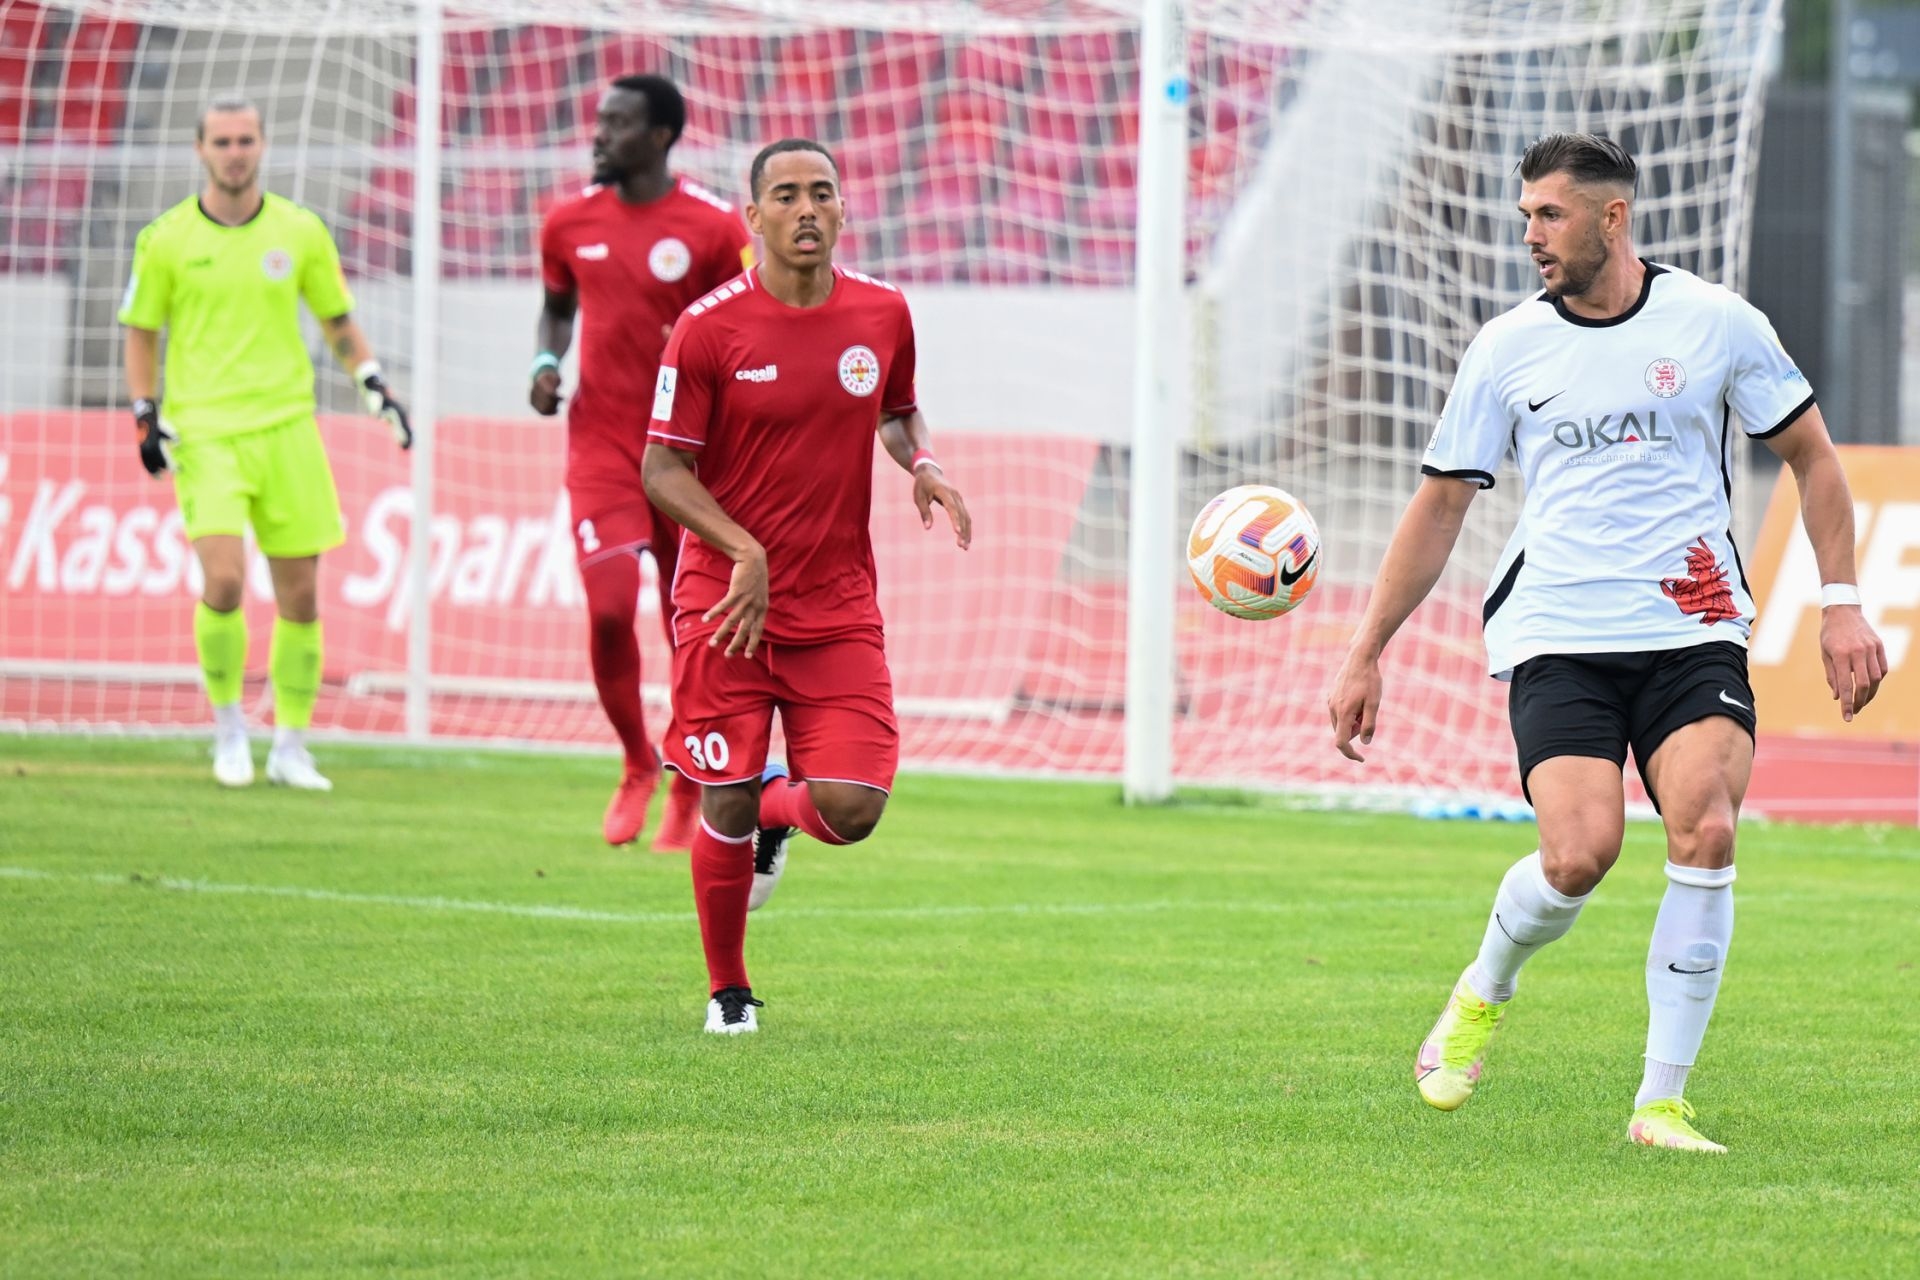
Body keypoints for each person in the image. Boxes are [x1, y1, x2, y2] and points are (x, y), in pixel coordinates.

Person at [1326, 132, 1887, 1153]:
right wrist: (1366, 648)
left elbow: (1812, 455)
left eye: (1550, 214)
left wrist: (1841, 601)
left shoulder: (1716, 322)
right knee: (1580, 855)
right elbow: (1442, 504)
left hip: (1694, 628)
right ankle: (1483, 988)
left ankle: (1660, 1103)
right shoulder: (1506, 347)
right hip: (1561, 634)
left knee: (1706, 829)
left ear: (1611, 216)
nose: (1531, 235)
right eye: (1526, 215)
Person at [643, 139, 973, 1035]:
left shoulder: (882, 311)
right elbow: (662, 469)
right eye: (785, 195)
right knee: (721, 794)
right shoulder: (708, 328)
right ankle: (728, 992)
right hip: (727, 603)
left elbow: (897, 411)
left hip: (835, 606)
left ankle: (776, 814)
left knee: (854, 808)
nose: (806, 210)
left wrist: (925, 463)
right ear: (753, 216)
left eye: (821, 193)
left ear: (842, 209)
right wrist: (742, 550)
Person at [120, 97, 412, 792]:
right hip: (207, 431)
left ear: (262, 144)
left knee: (301, 598)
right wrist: (144, 412)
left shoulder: (300, 231)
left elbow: (337, 320)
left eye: (245, 140)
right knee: (223, 580)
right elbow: (141, 330)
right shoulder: (165, 239)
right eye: (222, 141)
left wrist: (373, 382)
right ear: (200, 149)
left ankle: (290, 746)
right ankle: (228, 729)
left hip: (288, 428)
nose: (234, 152)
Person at [535, 74, 754, 851]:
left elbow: (746, 326)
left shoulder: (712, 227)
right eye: (600, 120)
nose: (600, 134)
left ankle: (689, 776)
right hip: (601, 446)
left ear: (660, 136)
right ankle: (637, 761)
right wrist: (545, 361)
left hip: (690, 458)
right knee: (607, 608)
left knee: (687, 629)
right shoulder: (567, 222)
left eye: (618, 123)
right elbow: (558, 308)